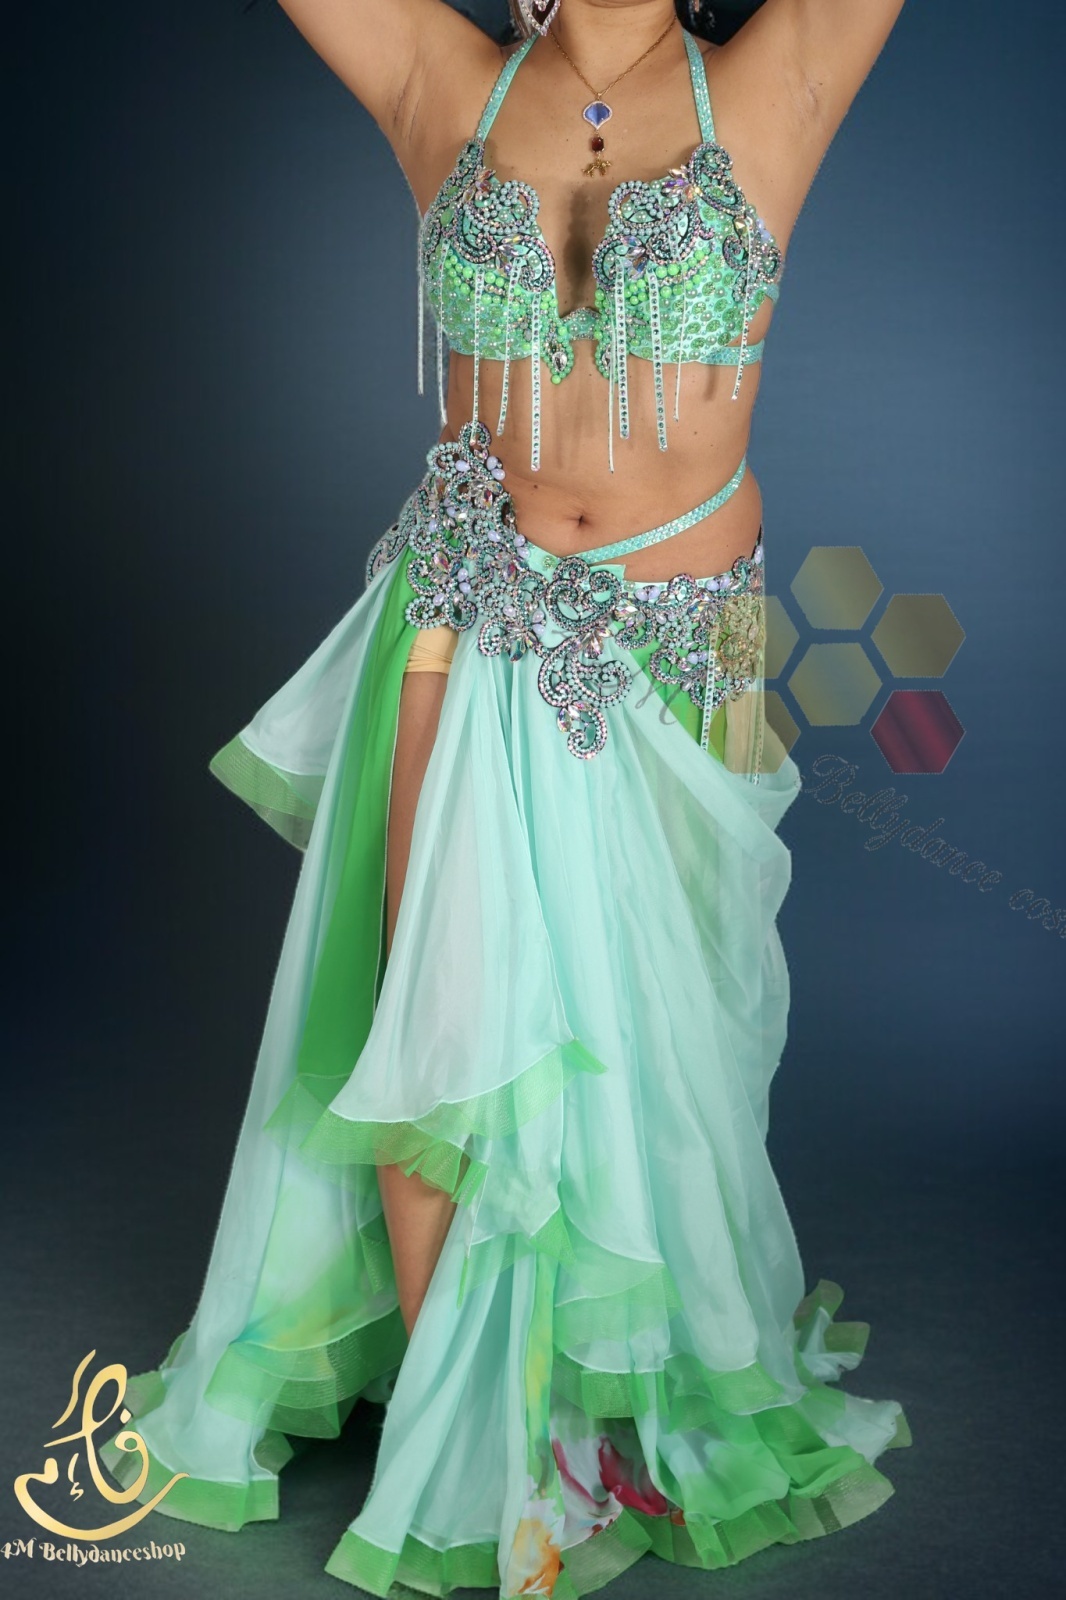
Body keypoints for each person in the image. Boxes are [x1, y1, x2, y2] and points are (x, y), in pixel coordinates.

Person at [101, 2, 913, 1595]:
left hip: (685, 636)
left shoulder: (779, 74)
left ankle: (617, 1386)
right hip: (468, 609)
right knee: (435, 1015)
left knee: (666, 1043)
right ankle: (466, 1449)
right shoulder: (443, 77)